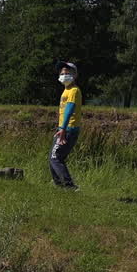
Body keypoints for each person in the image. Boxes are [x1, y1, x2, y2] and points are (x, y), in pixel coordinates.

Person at [50, 62, 82, 191]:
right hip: (63, 128)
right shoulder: (66, 90)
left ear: (74, 75)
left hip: (68, 129)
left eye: (67, 73)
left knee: (55, 157)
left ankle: (69, 186)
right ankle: (58, 184)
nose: (64, 75)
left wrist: (63, 129)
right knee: (53, 157)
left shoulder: (74, 90)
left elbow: (69, 109)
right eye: (62, 73)